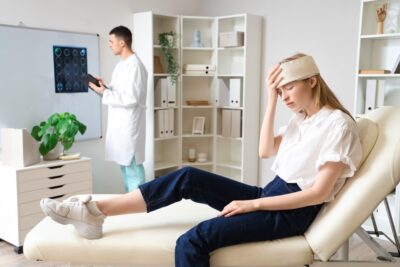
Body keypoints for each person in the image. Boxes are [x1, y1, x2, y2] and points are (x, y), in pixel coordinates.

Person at [40, 53, 362, 267]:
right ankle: (95, 212)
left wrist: (253, 206)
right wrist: (270, 102)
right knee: (187, 177)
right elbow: (264, 151)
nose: (286, 96)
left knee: (193, 241)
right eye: (282, 91)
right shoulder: (302, 119)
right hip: (271, 194)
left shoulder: (338, 125)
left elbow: (319, 193)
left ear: (313, 82)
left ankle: (94, 212)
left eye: (289, 88)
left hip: (290, 212)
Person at [89, 26, 148, 192]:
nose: (109, 45)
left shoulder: (135, 66)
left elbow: (132, 98)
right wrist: (103, 88)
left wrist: (106, 92)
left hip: (130, 125)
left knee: (133, 170)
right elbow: (115, 92)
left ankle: (140, 208)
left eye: (111, 41)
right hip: (120, 125)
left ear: (122, 43)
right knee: (125, 169)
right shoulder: (121, 66)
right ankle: (130, 206)